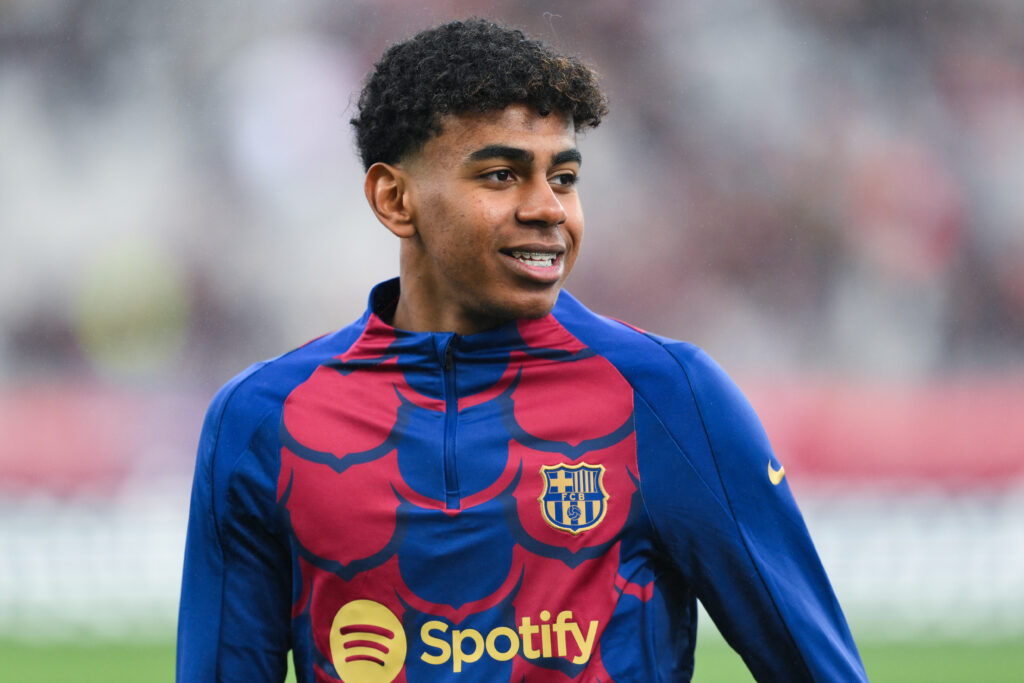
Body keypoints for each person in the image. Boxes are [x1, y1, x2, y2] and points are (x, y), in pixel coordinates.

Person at [177, 18, 867, 682]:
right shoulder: (262, 422)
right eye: (501, 175)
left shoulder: (667, 396)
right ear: (395, 199)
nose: (548, 209)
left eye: (563, 177)